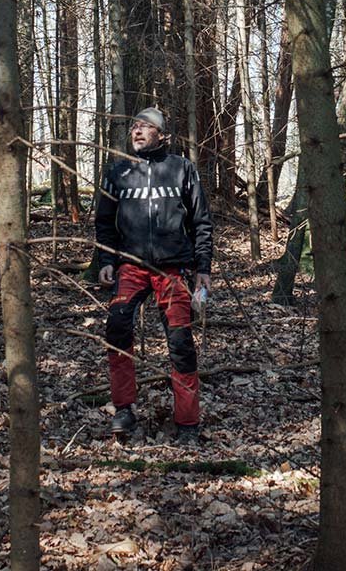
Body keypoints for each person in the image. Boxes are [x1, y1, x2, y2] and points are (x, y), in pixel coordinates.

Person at [95, 107, 213, 443]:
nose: (138, 131)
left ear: (163, 135)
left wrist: (203, 268)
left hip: (172, 268)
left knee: (181, 343)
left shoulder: (181, 169)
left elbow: (201, 221)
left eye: (147, 127)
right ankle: (123, 410)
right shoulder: (118, 170)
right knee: (116, 328)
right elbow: (104, 223)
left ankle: (188, 422)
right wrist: (106, 259)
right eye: (134, 125)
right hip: (130, 266)